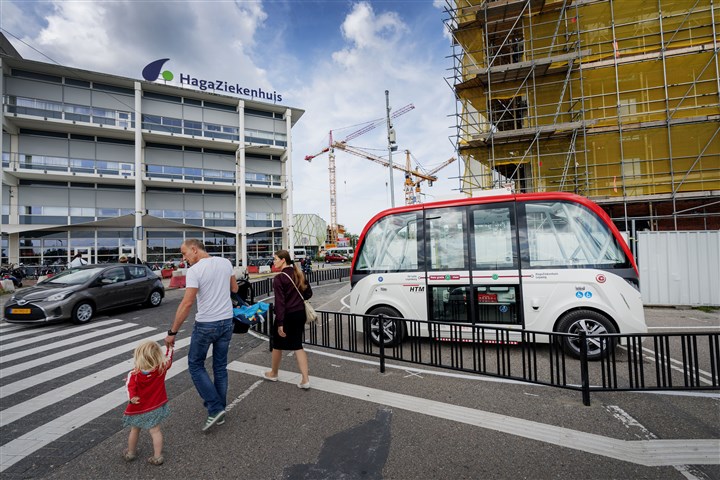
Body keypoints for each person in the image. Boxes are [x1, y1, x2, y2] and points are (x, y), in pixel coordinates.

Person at [165, 239, 238, 431]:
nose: (184, 258)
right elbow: (234, 289)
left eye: (184, 253)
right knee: (220, 367)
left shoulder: (195, 271)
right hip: (226, 322)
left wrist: (172, 332)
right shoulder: (225, 262)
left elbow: (187, 303)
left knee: (195, 365)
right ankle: (219, 409)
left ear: (194, 250)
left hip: (206, 324)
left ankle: (215, 408)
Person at [264, 249, 313, 389]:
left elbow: (280, 303)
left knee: (277, 344)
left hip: (287, 316)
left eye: (275, 259)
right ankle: (305, 379)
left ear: (283, 260)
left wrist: (280, 323)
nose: (274, 262)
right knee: (297, 345)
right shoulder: (299, 273)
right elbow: (308, 293)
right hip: (299, 313)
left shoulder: (279, 278)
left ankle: (273, 373)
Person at [122, 340, 173, 466]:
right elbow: (169, 358)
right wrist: (170, 349)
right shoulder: (161, 368)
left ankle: (130, 453)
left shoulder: (134, 374)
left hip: (139, 408)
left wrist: (132, 398)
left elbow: (129, 388)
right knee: (155, 431)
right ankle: (157, 456)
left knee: (134, 429)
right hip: (155, 406)